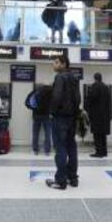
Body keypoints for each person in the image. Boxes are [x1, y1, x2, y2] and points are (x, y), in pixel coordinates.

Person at [46, 55, 81, 190]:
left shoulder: (60, 77)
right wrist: (75, 112)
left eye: (56, 62)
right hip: (72, 118)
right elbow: (78, 99)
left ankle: (60, 181)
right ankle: (72, 178)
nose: (54, 65)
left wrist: (52, 111)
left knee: (60, 148)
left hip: (60, 117)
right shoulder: (74, 78)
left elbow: (57, 97)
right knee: (71, 147)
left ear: (64, 64)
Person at [86, 73, 112, 158]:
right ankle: (104, 152)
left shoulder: (95, 86)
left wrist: (87, 104)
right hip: (105, 115)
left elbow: (91, 98)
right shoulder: (106, 87)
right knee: (103, 135)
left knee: (97, 135)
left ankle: (99, 152)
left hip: (97, 115)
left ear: (95, 78)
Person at [25, 85, 53, 156]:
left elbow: (26, 102)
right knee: (47, 133)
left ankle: (35, 150)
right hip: (47, 116)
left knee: (35, 133)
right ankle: (47, 151)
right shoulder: (50, 92)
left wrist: (33, 108)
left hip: (36, 115)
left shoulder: (35, 92)